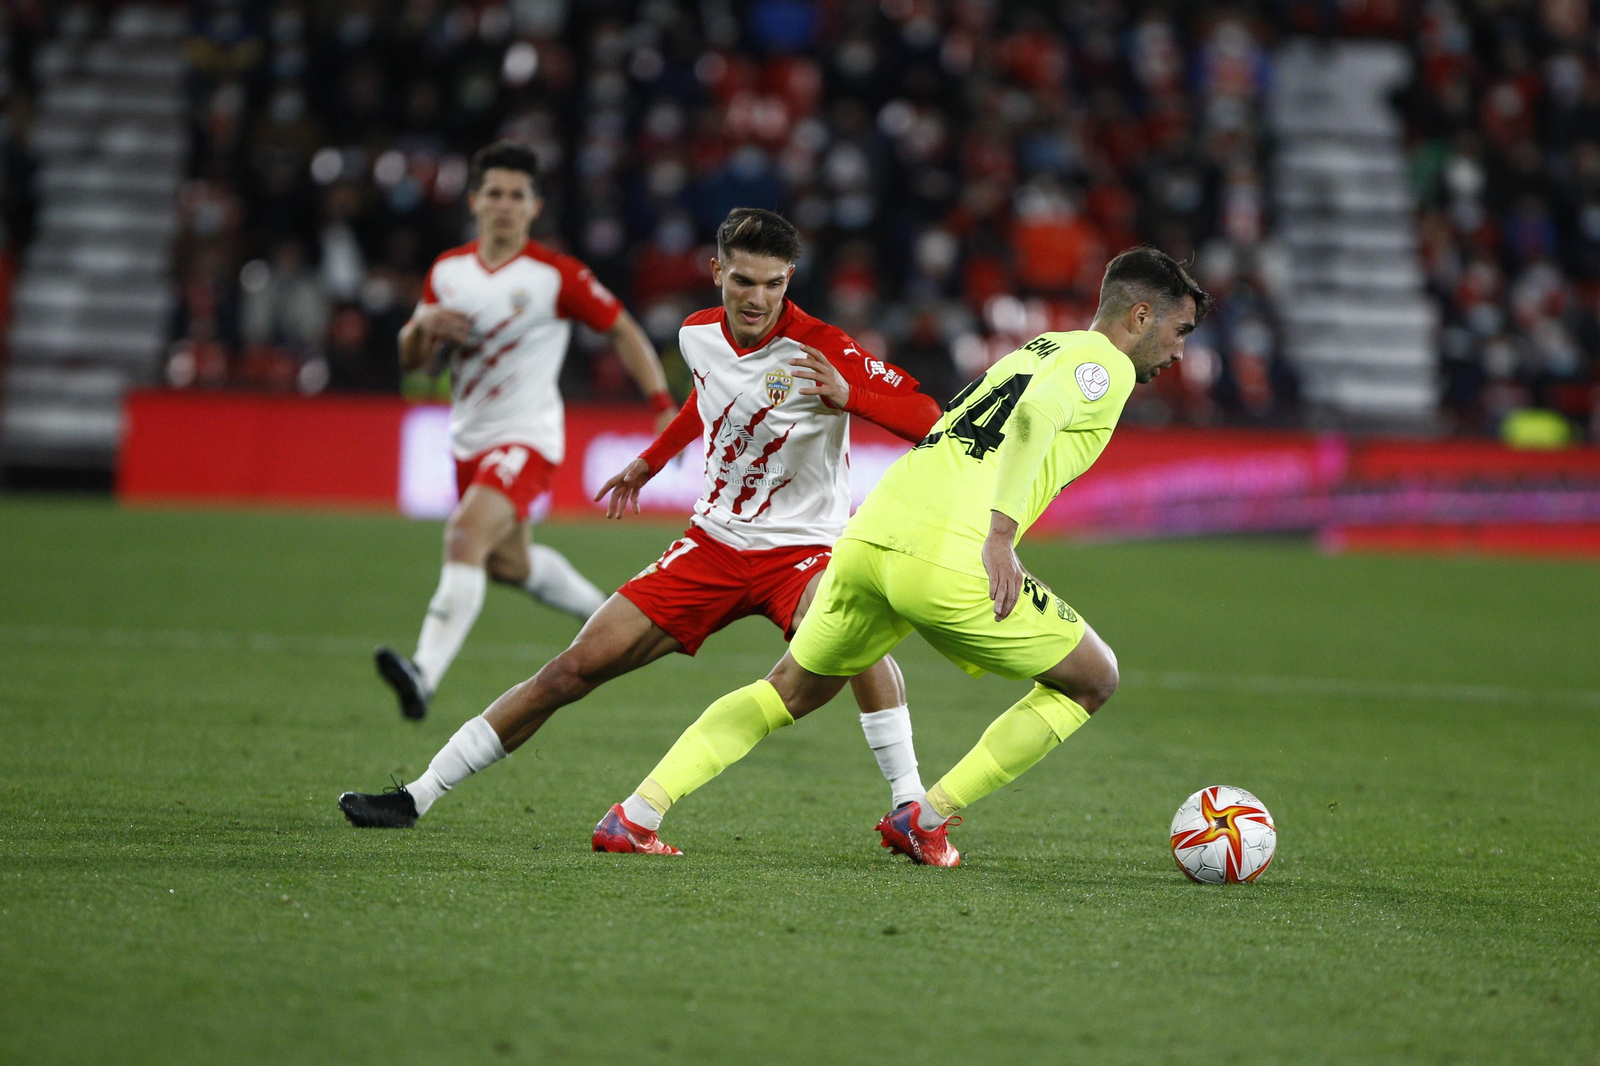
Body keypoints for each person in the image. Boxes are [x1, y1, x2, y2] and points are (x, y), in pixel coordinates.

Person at [339, 208, 946, 836]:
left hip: (803, 554)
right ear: (717, 273)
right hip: (711, 546)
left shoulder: (825, 347)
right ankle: (416, 795)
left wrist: (854, 399)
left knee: (857, 633)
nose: (757, 298)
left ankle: (908, 804)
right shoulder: (696, 336)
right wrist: (649, 462)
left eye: (772, 284)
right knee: (570, 669)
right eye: (743, 281)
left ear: (789, 277)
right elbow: (709, 396)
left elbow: (929, 415)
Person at [597, 247, 1209, 864]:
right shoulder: (1107, 367)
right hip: (949, 550)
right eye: (1179, 330)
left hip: (873, 532)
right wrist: (999, 536)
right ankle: (927, 817)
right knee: (1094, 678)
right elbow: (1039, 418)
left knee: (790, 688)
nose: (1180, 350)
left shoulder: (1044, 346)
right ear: (1138, 315)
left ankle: (636, 813)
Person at [374, 141, 676, 722]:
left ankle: (423, 673)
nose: (505, 205)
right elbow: (412, 359)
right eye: (495, 194)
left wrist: (662, 404)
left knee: (464, 536)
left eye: (518, 195)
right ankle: (608, 614)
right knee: (506, 563)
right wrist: (423, 325)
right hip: (468, 439)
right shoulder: (449, 271)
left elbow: (624, 330)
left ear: (534, 207)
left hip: (528, 438)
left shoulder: (554, 275)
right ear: (475, 202)